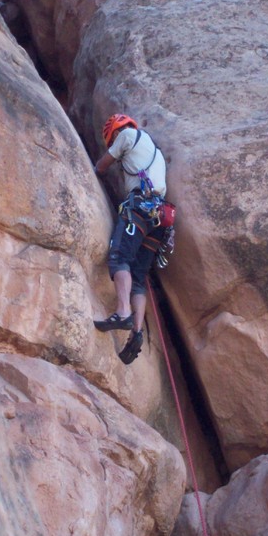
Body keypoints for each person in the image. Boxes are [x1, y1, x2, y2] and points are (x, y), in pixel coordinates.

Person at [93, 113, 169, 364]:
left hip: (139, 209)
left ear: (114, 132)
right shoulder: (153, 151)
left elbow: (102, 166)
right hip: (159, 219)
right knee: (138, 278)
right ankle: (136, 331)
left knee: (119, 257)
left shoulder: (126, 135)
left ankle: (123, 312)